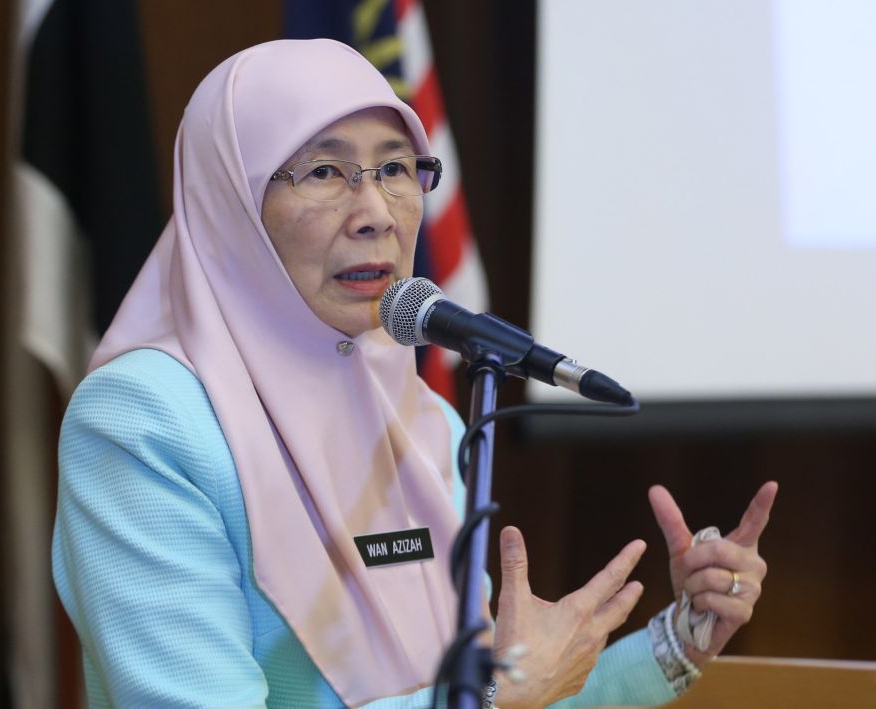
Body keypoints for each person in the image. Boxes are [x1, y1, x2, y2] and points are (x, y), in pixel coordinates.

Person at [51, 38, 777, 708]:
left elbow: (506, 694)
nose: (377, 213)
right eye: (326, 171)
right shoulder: (144, 421)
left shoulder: (422, 419)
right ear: (231, 203)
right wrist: (498, 694)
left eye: (397, 169)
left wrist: (678, 639)